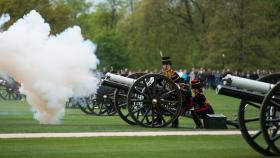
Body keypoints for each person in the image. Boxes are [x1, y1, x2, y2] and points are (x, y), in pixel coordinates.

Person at [160, 55, 192, 128]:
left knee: (174, 107)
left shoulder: (173, 74)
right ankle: (159, 121)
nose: (163, 66)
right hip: (168, 93)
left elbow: (180, 85)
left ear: (168, 65)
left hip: (177, 94)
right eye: (163, 65)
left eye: (165, 65)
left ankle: (175, 124)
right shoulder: (163, 73)